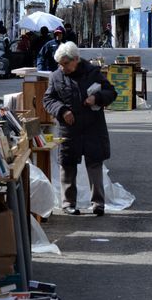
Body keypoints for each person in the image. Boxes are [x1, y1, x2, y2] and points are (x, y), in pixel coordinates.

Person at [43, 42, 117, 216]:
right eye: (60, 64)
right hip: (69, 128)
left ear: (75, 60)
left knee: (95, 164)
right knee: (67, 166)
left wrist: (96, 98)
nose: (62, 68)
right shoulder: (56, 77)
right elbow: (48, 100)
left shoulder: (93, 73)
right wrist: (62, 110)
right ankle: (68, 203)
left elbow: (111, 92)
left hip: (93, 127)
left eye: (65, 64)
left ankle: (98, 203)